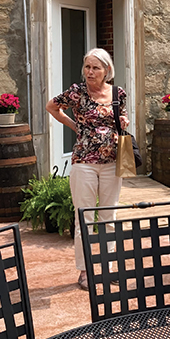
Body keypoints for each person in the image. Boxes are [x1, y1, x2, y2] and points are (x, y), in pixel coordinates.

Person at [46, 48, 128, 291]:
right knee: (84, 217)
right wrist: (76, 127)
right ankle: (84, 271)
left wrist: (123, 122)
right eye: (87, 67)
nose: (90, 72)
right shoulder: (77, 92)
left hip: (112, 161)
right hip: (84, 162)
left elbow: (120, 119)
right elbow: (52, 107)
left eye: (96, 68)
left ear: (107, 71)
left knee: (109, 217)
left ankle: (108, 266)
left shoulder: (117, 93)